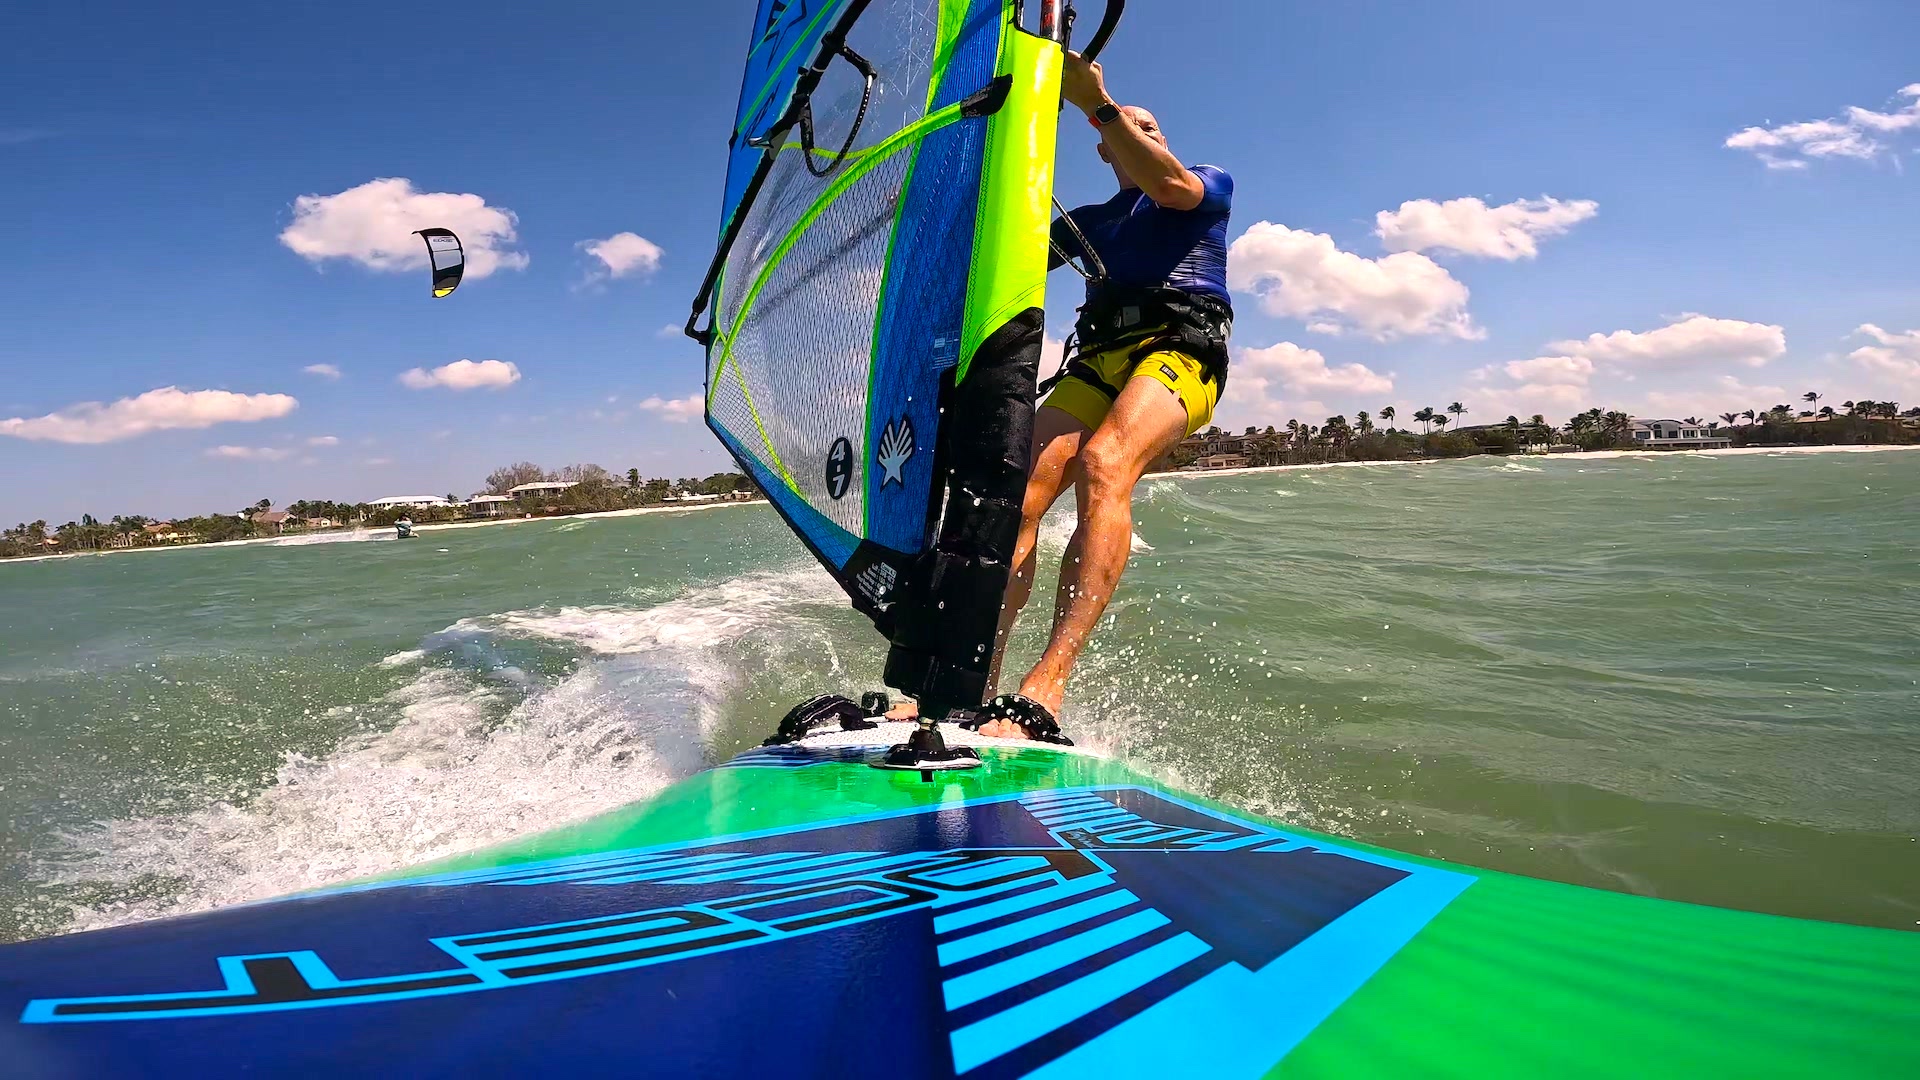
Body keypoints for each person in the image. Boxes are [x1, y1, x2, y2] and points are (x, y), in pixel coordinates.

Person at [896, 51, 1234, 740]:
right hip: (1097, 363)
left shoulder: (1204, 183)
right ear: (1105, 153)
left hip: (1180, 353)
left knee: (1106, 464)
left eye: (1151, 126)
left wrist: (1096, 102)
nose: (1143, 133)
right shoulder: (1084, 221)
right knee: (1015, 496)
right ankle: (969, 680)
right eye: (1125, 130)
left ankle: (1046, 684)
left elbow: (1168, 187)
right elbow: (987, 256)